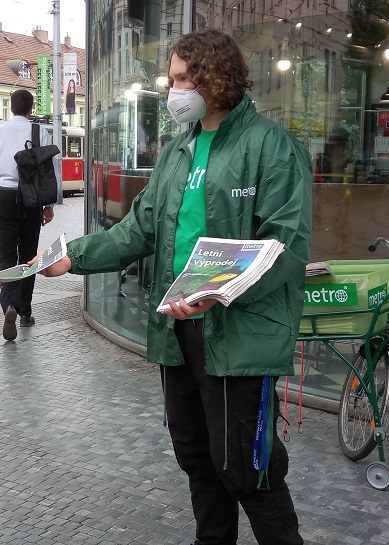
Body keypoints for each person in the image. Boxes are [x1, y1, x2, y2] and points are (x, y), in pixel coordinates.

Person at [39, 29, 311, 545]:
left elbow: (284, 244)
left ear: (217, 77)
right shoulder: (177, 151)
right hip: (178, 331)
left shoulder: (271, 147)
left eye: (184, 79)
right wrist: (72, 256)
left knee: (246, 467)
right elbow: (139, 229)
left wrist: (218, 291)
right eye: (172, 79)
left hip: (238, 335)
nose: (174, 90)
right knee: (197, 457)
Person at [0, 90, 57, 341]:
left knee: (6, 255)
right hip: (31, 198)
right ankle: (24, 312)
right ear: (31, 109)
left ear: (11, 108)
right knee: (28, 255)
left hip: (3, 196)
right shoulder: (39, 132)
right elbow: (48, 170)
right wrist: (48, 204)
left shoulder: (0, 130)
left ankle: (8, 306)